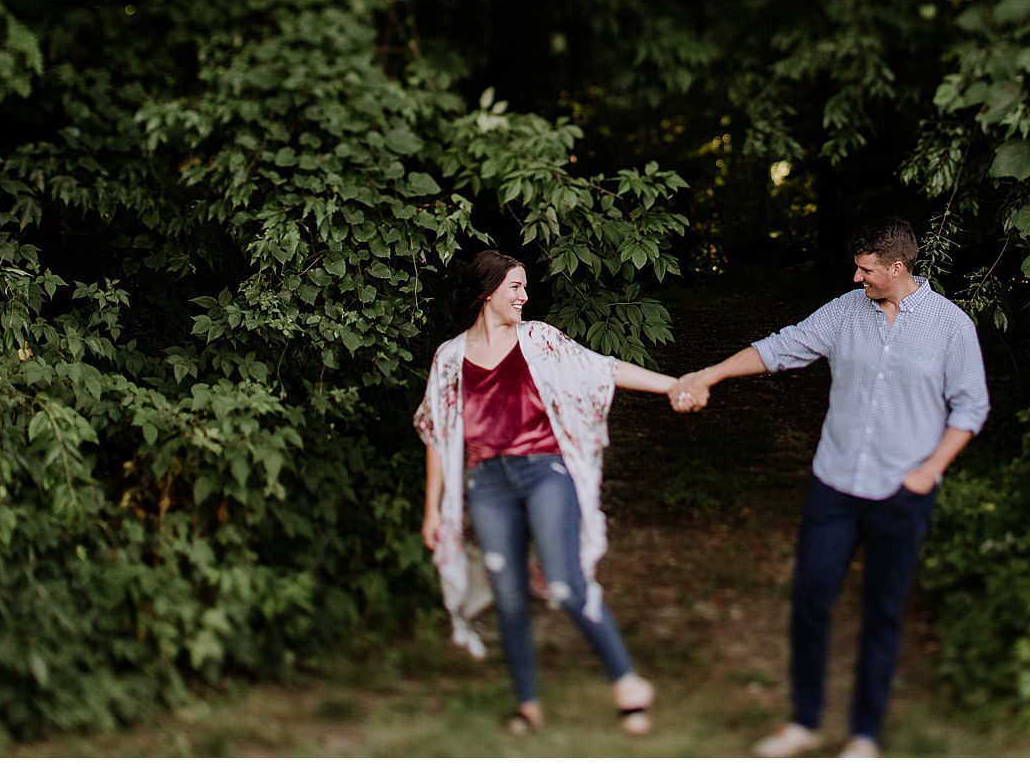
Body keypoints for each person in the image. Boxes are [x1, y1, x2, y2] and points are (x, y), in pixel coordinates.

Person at [669, 217, 989, 758]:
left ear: (897, 267)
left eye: (866, 269)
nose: (857, 277)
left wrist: (931, 469)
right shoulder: (844, 311)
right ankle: (805, 722)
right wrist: (711, 374)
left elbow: (970, 405)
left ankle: (864, 735)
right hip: (835, 486)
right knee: (811, 601)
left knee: (882, 613)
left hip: (902, 493)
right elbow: (783, 347)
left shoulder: (950, 326)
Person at [416, 249, 679, 736]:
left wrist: (673, 385)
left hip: (544, 473)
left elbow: (604, 369)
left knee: (563, 581)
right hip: (487, 484)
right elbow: (435, 432)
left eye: (524, 286)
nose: (524, 295)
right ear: (487, 292)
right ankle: (528, 705)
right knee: (509, 596)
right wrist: (431, 510)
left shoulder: (539, 340)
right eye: (515, 287)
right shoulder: (450, 357)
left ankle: (628, 681)